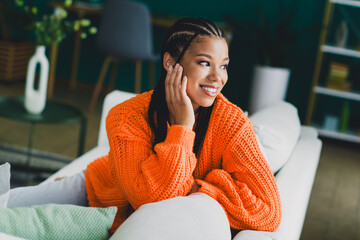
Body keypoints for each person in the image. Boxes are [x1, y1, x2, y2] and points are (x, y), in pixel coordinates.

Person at [8, 17, 281, 236]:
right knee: (7, 203)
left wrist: (203, 188)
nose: (217, 77)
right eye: (204, 63)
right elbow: (147, 197)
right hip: (96, 189)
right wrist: (184, 126)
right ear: (171, 63)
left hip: (117, 218)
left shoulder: (231, 123)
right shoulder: (126, 115)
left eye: (223, 66)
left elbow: (270, 211)